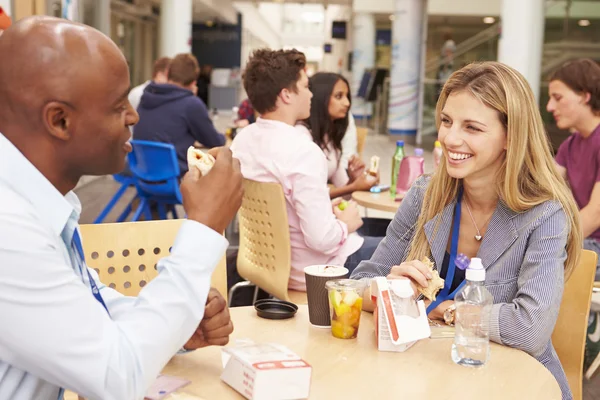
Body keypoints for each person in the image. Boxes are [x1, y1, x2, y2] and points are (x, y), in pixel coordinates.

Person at [0, 17, 242, 399]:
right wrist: (205, 227)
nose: (133, 117)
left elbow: (88, 311)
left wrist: (175, 329)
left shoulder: (40, 201)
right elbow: (118, 378)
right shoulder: (8, 230)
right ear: (60, 120)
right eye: (118, 106)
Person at [351, 61, 581, 400]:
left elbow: (530, 329)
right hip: (426, 376)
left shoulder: (544, 214)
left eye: (472, 127)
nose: (449, 138)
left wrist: (443, 308)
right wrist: (388, 290)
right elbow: (355, 285)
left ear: (510, 137)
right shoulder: (425, 195)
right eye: (446, 121)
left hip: (512, 385)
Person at [231, 49, 381, 292]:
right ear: (286, 95)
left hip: (265, 266)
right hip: (318, 272)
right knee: (409, 247)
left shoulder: (242, 142)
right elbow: (322, 240)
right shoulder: (303, 152)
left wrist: (325, 208)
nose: (311, 93)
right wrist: (346, 224)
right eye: (305, 86)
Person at [547, 57, 600, 373]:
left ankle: (562, 364)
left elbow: (594, 215)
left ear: (585, 95)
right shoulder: (570, 144)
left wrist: (546, 240)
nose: (550, 106)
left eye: (558, 97)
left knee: (538, 258)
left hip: (594, 247)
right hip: (584, 244)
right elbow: (542, 190)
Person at [134, 53, 225, 175]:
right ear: (193, 83)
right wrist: (225, 137)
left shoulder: (146, 96)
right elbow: (214, 141)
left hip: (143, 175)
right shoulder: (191, 104)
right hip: (175, 178)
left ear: (167, 74)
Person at [299, 72, 378, 199]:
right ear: (321, 98)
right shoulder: (302, 137)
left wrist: (354, 180)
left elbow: (344, 194)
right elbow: (310, 198)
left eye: (347, 96)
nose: (347, 103)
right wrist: (354, 186)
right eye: (339, 96)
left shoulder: (330, 140)